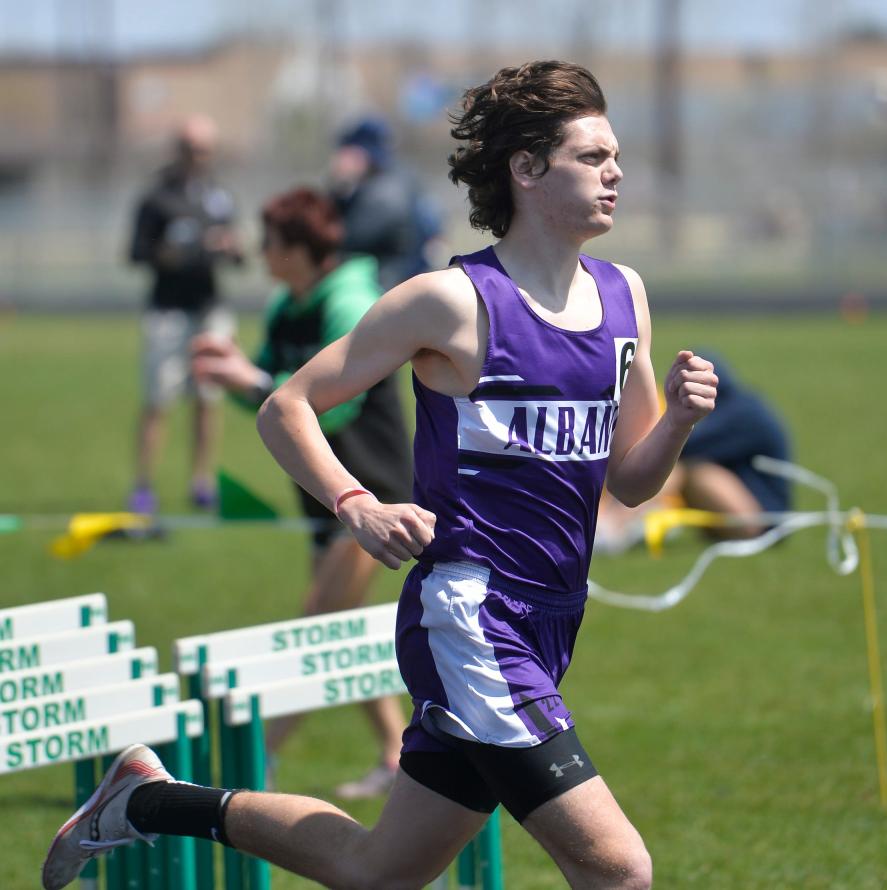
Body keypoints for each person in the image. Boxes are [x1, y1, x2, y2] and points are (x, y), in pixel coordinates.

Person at [43, 60, 718, 890]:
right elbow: (286, 406)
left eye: (616, 155)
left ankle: (150, 802)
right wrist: (355, 502)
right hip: (471, 619)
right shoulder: (450, 301)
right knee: (618, 869)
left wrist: (680, 420)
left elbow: (637, 481)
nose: (616, 172)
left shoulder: (626, 298)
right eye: (593, 156)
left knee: (379, 871)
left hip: (554, 621)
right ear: (527, 170)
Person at [190, 186, 413, 799]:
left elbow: (336, 410)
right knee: (340, 631)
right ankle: (397, 756)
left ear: (299, 247)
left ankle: (258, 757)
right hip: (326, 496)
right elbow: (273, 405)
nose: (261, 253)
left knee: (319, 624)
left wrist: (252, 375)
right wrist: (231, 371)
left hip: (375, 492)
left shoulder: (350, 300)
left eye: (270, 242)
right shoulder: (288, 304)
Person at [127, 113, 244, 514]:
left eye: (206, 150)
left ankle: (202, 481)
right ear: (178, 150)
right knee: (158, 398)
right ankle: (143, 484)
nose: (199, 157)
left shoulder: (219, 195)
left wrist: (231, 248)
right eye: (192, 149)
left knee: (209, 399)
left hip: (210, 308)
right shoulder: (157, 196)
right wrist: (173, 253)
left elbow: (237, 251)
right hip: (168, 311)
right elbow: (136, 252)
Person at [594, 352, 793, 551]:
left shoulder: (741, 413)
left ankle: (615, 525)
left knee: (686, 470)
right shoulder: (742, 405)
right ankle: (631, 518)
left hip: (762, 520)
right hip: (751, 511)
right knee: (675, 465)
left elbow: (684, 445)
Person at [331, 115, 443, 290]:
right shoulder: (394, 177)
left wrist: (340, 187)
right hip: (399, 280)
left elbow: (345, 240)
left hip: (388, 285)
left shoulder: (386, 191)